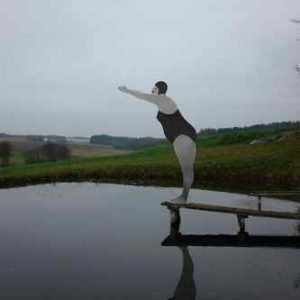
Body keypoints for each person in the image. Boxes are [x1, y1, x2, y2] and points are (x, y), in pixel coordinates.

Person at [118, 81, 197, 203]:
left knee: (186, 170)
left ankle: (183, 198)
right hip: (186, 135)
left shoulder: (162, 100)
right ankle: (184, 197)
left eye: (154, 88)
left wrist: (126, 90)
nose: (152, 90)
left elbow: (141, 95)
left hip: (181, 137)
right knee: (187, 170)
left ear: (159, 90)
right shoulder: (164, 101)